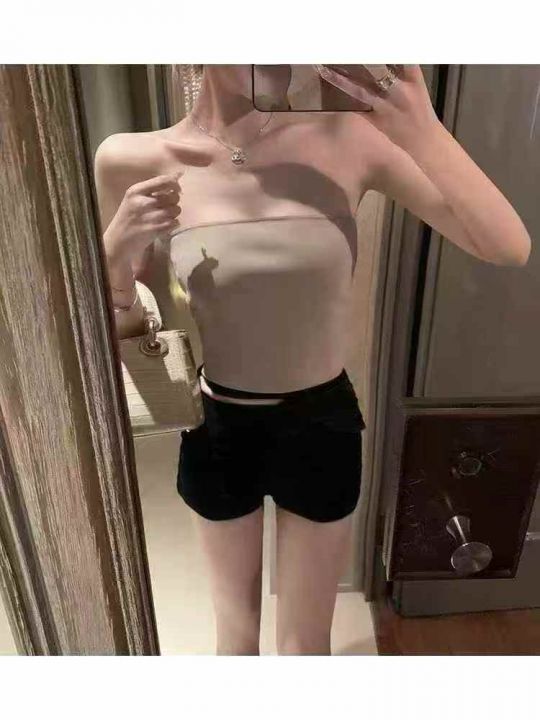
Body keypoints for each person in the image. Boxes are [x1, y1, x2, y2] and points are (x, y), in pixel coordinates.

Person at [94, 64, 531, 656]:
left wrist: (422, 130)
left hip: (321, 422)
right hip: (218, 422)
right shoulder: (131, 158)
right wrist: (114, 259)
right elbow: (123, 328)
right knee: (235, 639)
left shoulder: (349, 139)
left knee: (305, 647)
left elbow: (507, 246)